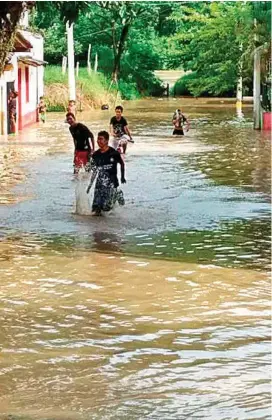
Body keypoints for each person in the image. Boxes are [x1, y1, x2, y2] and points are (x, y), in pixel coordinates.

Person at [86, 130, 126, 216]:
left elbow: (122, 163)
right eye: (98, 139)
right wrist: (90, 185)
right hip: (100, 185)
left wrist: (122, 177)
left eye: (101, 139)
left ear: (107, 141)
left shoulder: (113, 153)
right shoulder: (95, 155)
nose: (98, 141)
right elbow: (94, 171)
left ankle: (117, 194)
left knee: (106, 209)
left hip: (111, 183)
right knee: (96, 209)